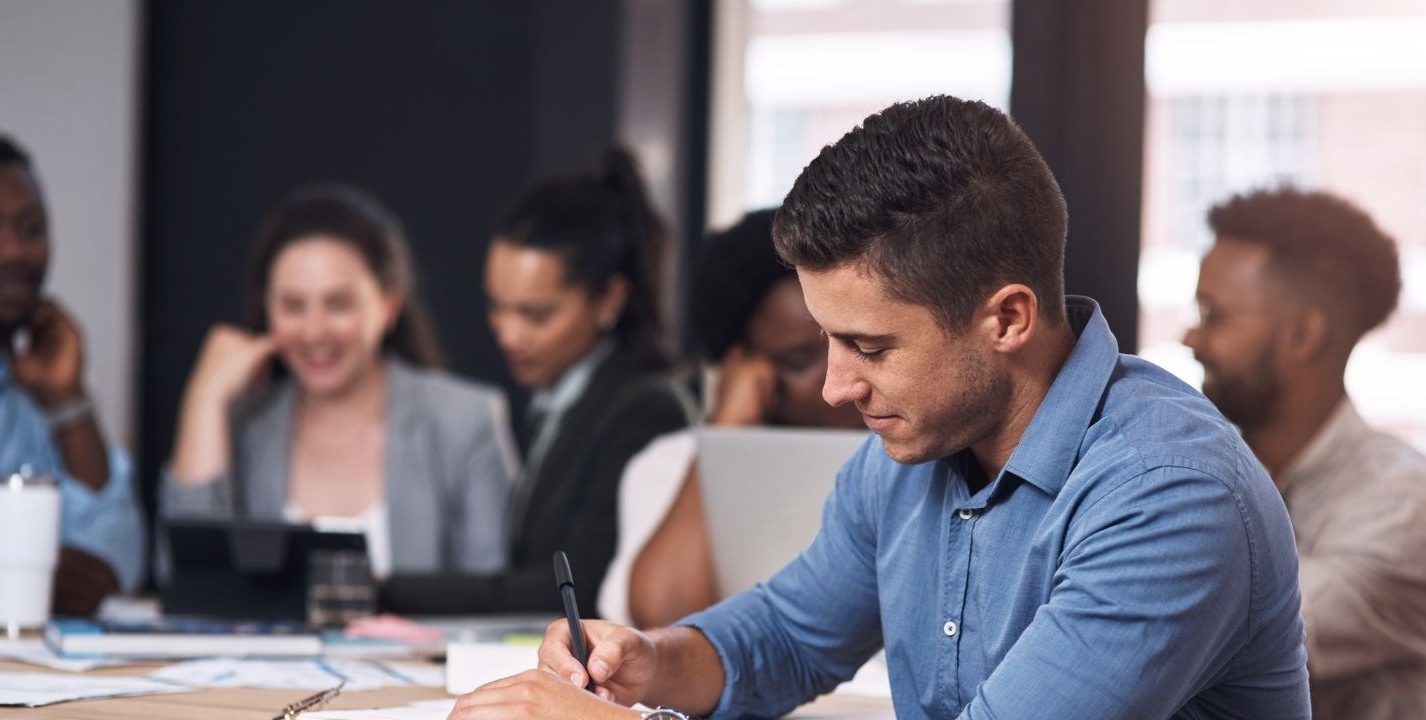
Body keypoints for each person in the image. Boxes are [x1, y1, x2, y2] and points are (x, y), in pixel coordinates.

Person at [447, 96, 1310, 719]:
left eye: (869, 347)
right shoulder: (916, 447)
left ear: (1006, 318)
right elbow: (786, 635)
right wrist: (649, 664)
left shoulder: (1170, 497)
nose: (834, 387)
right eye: (826, 341)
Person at [381, 147, 691, 616]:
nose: (508, 333)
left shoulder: (644, 409)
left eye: (535, 314)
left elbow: (578, 587)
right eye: (496, 306)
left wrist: (384, 589)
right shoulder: (562, 399)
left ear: (609, 298)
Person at [161, 185, 515, 577]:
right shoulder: (244, 423)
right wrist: (205, 398)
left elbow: (493, 597)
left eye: (339, 304)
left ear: (389, 305)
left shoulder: (464, 420)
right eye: (293, 306)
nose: (314, 332)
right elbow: (185, 579)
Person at [1183, 187, 1426, 720]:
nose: (1190, 336)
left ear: (1303, 335)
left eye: (1213, 314)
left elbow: (1211, 639)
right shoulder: (1217, 475)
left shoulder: (1403, 505)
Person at [596, 208, 861, 628]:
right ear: (742, 363)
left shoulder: (920, 449)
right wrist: (725, 433)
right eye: (798, 360)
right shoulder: (670, 462)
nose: (840, 377)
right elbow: (665, 619)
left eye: (857, 342)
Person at [0, 131, 144, 614]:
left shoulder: (25, 401)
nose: (14, 252)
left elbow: (119, 560)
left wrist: (67, 401)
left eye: (32, 229)